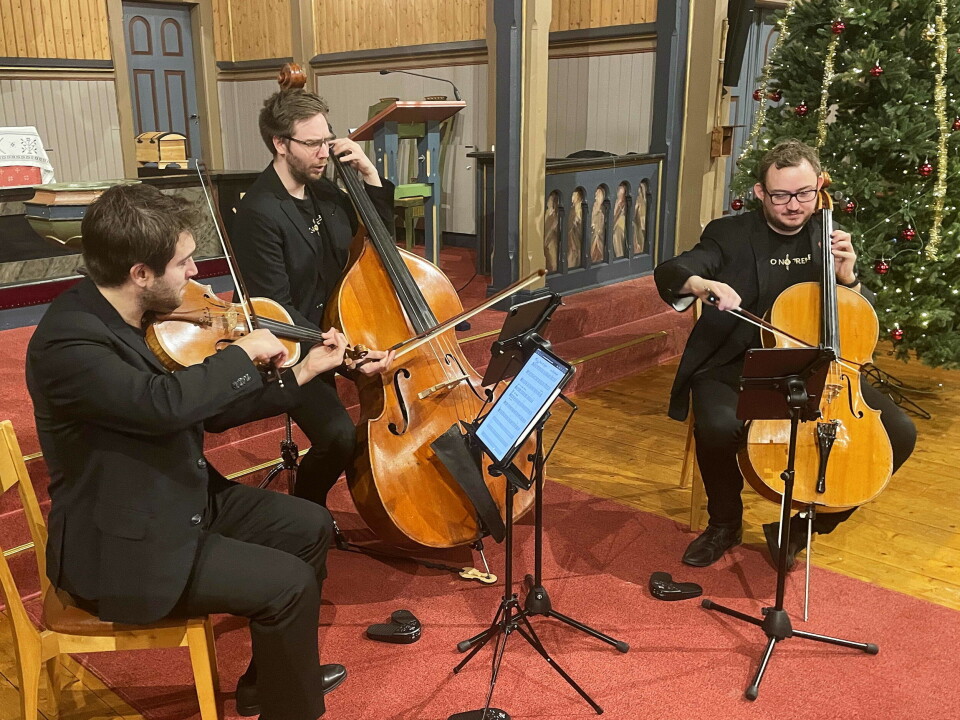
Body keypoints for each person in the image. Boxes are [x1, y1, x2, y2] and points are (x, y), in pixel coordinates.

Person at [25, 184, 388, 719]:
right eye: (184, 261)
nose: (197, 274)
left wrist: (306, 369)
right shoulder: (68, 343)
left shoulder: (136, 317)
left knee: (309, 526)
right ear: (140, 273)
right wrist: (240, 353)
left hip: (176, 498)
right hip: (123, 549)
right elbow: (164, 406)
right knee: (286, 586)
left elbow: (209, 411)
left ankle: (270, 684)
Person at [654, 139, 917, 568]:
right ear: (760, 192)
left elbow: (857, 317)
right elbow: (672, 270)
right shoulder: (729, 234)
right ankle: (724, 524)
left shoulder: (827, 236)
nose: (794, 206)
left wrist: (849, 279)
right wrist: (704, 285)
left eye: (804, 193)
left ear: (819, 188)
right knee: (718, 426)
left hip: (819, 368)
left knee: (900, 433)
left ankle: (798, 530)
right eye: (780, 195)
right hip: (734, 363)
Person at [231, 88, 396, 507]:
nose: (325, 152)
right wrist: (346, 352)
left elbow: (377, 247)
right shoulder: (259, 212)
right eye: (313, 143)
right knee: (338, 438)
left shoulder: (324, 190)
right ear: (280, 144)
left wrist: (369, 176)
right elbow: (276, 309)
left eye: (328, 140)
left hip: (340, 330)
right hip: (295, 342)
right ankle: (307, 509)